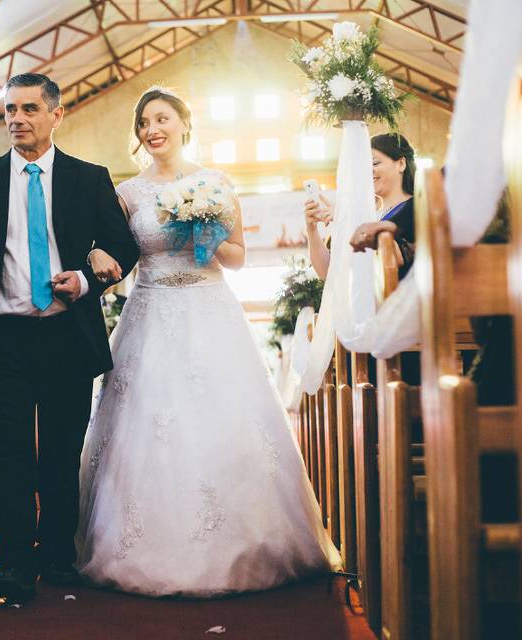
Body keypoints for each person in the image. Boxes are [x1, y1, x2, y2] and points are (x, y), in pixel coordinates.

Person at [75, 87, 340, 597]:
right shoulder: (127, 194)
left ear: (183, 124)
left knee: (224, 421)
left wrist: (204, 229)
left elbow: (238, 257)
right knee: (145, 426)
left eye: (162, 119)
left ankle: (247, 543)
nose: (153, 130)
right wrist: (93, 259)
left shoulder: (215, 184)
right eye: (144, 124)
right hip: (149, 310)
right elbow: (111, 250)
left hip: (210, 307)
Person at [0, 72, 139, 603]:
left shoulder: (88, 176)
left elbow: (123, 244)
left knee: (60, 448)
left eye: (29, 109)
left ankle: (57, 553)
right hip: (4, 335)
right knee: (9, 451)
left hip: (66, 333)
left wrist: (86, 276)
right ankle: (11, 562)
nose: (17, 119)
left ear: (56, 114)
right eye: (10, 109)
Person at [305, 133, 417, 279]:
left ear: (401, 164)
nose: (368, 171)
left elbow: (392, 256)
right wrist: (312, 229)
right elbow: (327, 272)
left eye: (375, 163)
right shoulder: (366, 213)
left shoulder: (415, 209)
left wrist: (345, 217)